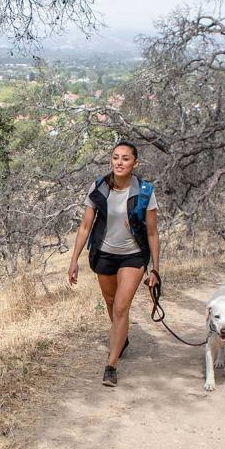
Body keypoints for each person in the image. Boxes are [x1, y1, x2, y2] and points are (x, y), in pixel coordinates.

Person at [67, 140, 161, 387]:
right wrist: (74, 260)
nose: (119, 162)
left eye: (125, 158)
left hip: (133, 256)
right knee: (110, 302)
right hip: (104, 254)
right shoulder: (99, 186)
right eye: (116, 157)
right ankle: (122, 338)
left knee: (121, 307)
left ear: (134, 162)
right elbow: (85, 226)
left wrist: (155, 269)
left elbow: (153, 232)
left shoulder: (144, 191)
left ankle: (111, 365)